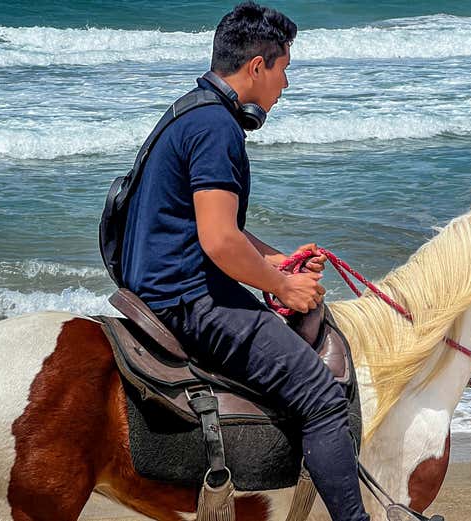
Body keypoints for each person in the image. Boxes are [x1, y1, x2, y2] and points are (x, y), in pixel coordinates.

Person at [120, 2, 370, 520]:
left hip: (155, 286)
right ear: (257, 66)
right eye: (283, 70)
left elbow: (216, 227)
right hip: (188, 298)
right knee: (323, 398)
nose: (285, 85)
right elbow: (217, 243)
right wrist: (282, 285)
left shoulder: (189, 111)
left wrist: (273, 257)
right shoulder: (218, 129)